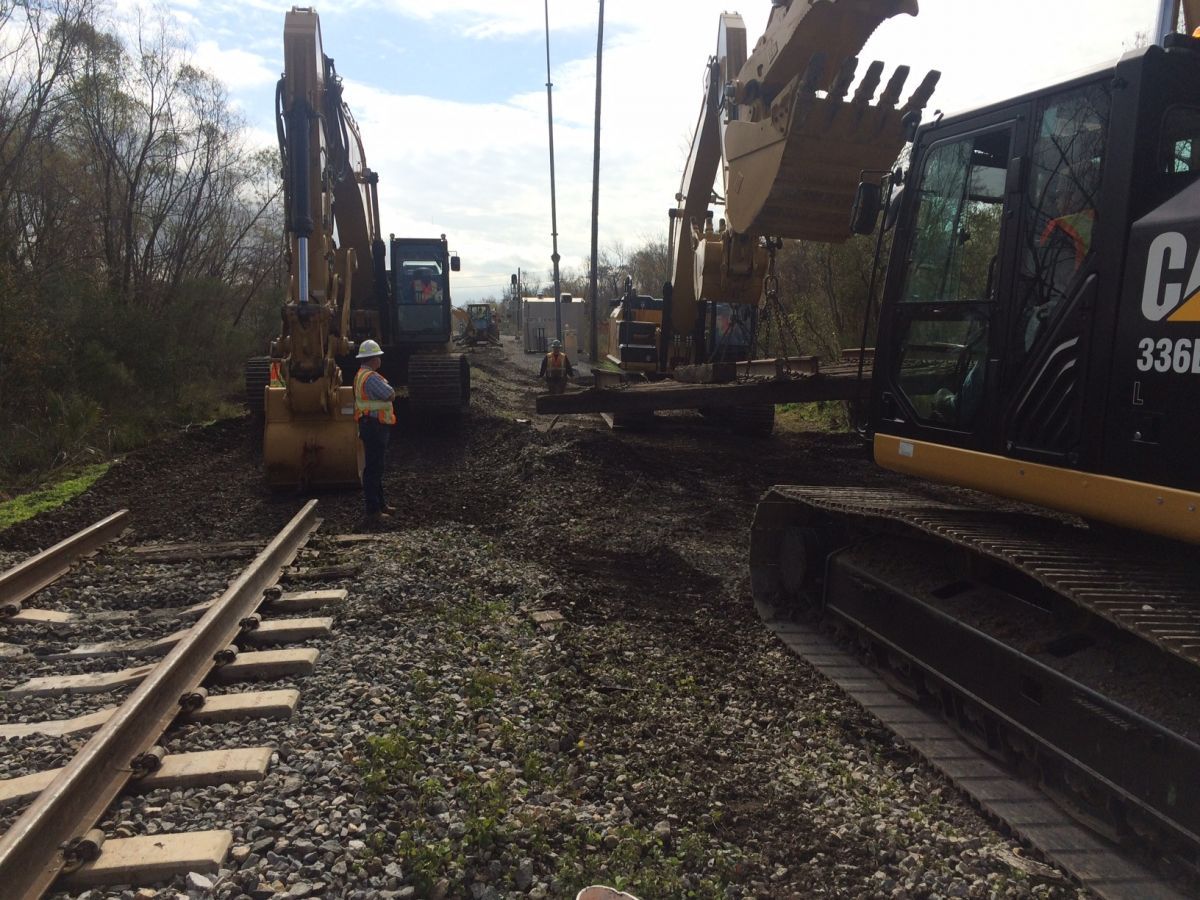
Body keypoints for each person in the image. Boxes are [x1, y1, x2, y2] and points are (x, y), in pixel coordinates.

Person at [353, 339, 396, 525]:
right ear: (372, 359)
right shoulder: (370, 378)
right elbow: (390, 394)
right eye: (378, 356)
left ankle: (380, 505)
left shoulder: (361, 375)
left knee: (376, 467)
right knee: (373, 468)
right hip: (374, 426)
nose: (380, 359)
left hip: (370, 425)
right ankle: (373, 511)